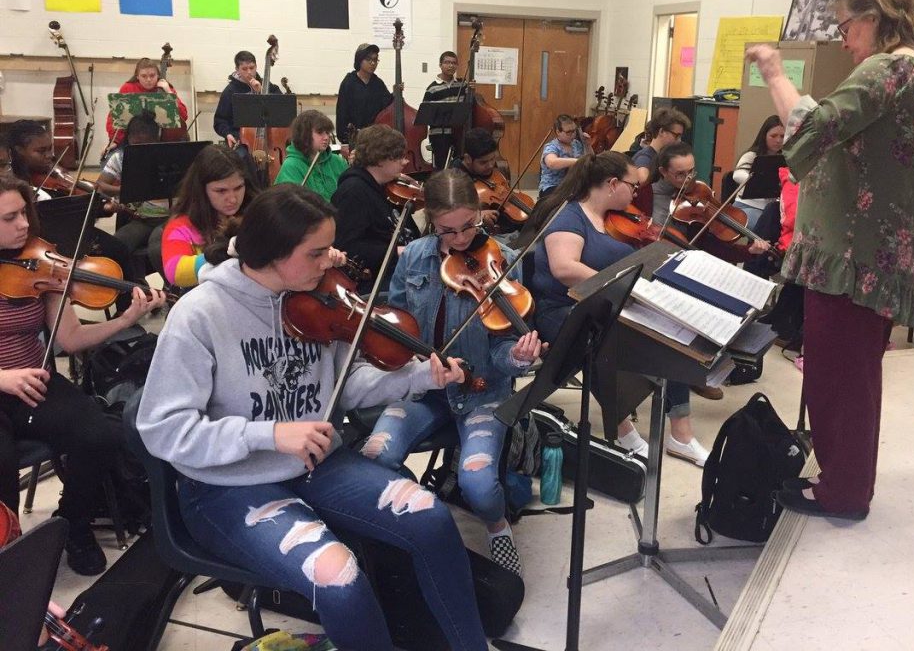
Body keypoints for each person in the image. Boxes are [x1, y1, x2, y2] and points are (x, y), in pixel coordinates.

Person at [136, 184, 487, 650]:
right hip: (225, 485)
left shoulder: (320, 300)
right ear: (272, 254)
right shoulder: (200, 314)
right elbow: (163, 428)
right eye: (317, 253)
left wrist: (421, 377)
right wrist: (271, 433)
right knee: (339, 577)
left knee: (430, 517)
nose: (331, 262)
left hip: (318, 464)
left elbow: (347, 387)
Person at [747, 0, 914, 520]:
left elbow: (812, 127)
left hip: (853, 258)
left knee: (838, 380)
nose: (843, 39)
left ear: (874, 16)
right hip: (875, 257)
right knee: (852, 376)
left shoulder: (892, 68)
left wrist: (773, 70)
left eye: (845, 26)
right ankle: (846, 478)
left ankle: (842, 492)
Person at [364, 170, 544, 576]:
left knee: (479, 486)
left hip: (481, 389)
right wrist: (401, 354)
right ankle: (412, 526)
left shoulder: (505, 261)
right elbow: (399, 320)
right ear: (431, 219)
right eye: (449, 230)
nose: (462, 239)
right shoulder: (412, 256)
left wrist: (516, 357)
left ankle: (498, 528)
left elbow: (501, 349)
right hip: (423, 389)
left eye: (470, 226)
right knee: (376, 455)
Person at [0, 176, 165, 575]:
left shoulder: (37, 262)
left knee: (102, 434)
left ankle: (72, 522)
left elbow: (71, 339)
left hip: (36, 383)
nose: (24, 224)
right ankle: (11, 552)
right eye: (10, 217)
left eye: (24, 213)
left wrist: (127, 318)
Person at [528, 152, 711, 463]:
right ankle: (624, 430)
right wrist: (622, 283)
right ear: (612, 184)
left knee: (674, 336)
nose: (636, 193)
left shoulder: (614, 218)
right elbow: (563, 268)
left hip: (608, 303)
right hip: (563, 309)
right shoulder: (568, 216)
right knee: (600, 342)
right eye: (632, 186)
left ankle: (681, 434)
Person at [5, 120, 139, 312]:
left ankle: (127, 311)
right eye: (40, 151)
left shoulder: (55, 177)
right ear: (18, 151)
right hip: (34, 246)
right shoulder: (12, 184)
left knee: (119, 249)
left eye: (50, 149)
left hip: (71, 234)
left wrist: (103, 208)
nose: (50, 155)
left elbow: (76, 206)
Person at [331, 125, 420, 294]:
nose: (405, 161)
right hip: (378, 277)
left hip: (404, 265)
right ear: (380, 159)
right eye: (398, 157)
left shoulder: (388, 186)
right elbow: (348, 245)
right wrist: (396, 251)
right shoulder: (353, 192)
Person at [650, 143, 771, 265]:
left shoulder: (699, 192)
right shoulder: (649, 196)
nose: (688, 179)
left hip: (697, 262)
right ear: (663, 171)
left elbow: (711, 246)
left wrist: (749, 251)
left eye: (691, 171)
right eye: (680, 174)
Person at [161, 145, 256, 288]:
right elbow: (174, 273)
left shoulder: (256, 211)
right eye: (221, 191)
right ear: (201, 189)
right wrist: (221, 252)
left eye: (238, 188)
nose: (232, 199)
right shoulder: (181, 225)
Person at [95, 111, 169, 276]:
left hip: (168, 217)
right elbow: (100, 185)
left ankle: (172, 289)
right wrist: (126, 190)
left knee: (157, 246)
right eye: (135, 144)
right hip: (140, 219)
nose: (139, 150)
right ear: (128, 139)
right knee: (115, 246)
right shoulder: (120, 157)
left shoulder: (167, 156)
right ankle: (132, 287)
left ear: (155, 140)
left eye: (145, 145)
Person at [101, 57, 188, 158]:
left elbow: (183, 116)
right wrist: (115, 141)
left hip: (164, 141)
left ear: (158, 75)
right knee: (111, 158)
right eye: (144, 76)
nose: (149, 80)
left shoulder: (166, 88)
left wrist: (169, 92)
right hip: (135, 141)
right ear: (137, 76)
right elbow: (114, 118)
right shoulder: (128, 88)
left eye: (152, 75)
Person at [213, 50, 282, 158]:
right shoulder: (230, 91)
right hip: (242, 141)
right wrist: (227, 134)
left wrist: (261, 91)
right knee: (242, 159)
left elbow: (281, 105)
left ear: (256, 66)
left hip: (267, 139)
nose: (249, 72)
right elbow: (220, 121)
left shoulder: (266, 85)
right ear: (237, 70)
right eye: (244, 69)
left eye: (252, 67)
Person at [273, 110, 349, 203]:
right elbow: (290, 206)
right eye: (320, 132)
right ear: (304, 134)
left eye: (327, 132)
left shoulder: (337, 161)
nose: (326, 137)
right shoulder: (291, 166)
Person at [732, 115, 785, 232]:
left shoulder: (785, 158)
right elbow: (737, 175)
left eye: (782, 136)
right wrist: (762, 182)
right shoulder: (752, 155)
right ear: (764, 136)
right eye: (773, 136)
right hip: (746, 207)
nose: (778, 140)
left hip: (769, 209)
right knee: (769, 230)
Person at [335, 43, 394, 141]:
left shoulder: (378, 83)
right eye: (368, 59)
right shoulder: (349, 83)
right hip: (354, 138)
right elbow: (342, 112)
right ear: (359, 60)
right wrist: (344, 141)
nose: (373, 63)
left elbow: (387, 105)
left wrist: (396, 93)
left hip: (374, 138)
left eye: (375, 60)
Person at [423, 51, 464, 167]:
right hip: (439, 133)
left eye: (454, 63)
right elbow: (426, 113)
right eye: (447, 62)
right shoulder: (432, 88)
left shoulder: (462, 85)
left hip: (458, 133)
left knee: (458, 164)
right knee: (441, 166)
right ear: (440, 65)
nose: (451, 65)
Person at [632, 107, 689, 187]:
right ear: (661, 131)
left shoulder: (662, 157)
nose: (679, 141)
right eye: (676, 136)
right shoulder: (644, 157)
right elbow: (642, 179)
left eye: (680, 136)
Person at [538, 114, 589, 199]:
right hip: (552, 186)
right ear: (558, 132)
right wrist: (577, 161)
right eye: (569, 132)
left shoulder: (577, 144)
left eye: (574, 131)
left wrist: (587, 145)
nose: (573, 135)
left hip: (572, 186)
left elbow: (590, 159)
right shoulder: (551, 146)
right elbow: (552, 163)